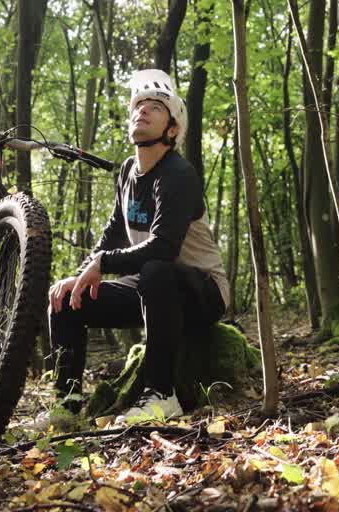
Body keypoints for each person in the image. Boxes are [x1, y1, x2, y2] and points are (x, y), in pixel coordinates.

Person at [44, 69, 230, 421]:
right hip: (152, 289)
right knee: (65, 300)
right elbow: (113, 232)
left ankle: (162, 395)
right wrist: (84, 273)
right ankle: (66, 405)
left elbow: (163, 249)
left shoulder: (178, 173)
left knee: (156, 270)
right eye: (138, 105)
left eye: (155, 107)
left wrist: (103, 262)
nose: (141, 111)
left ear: (172, 129)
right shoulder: (128, 172)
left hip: (203, 291)